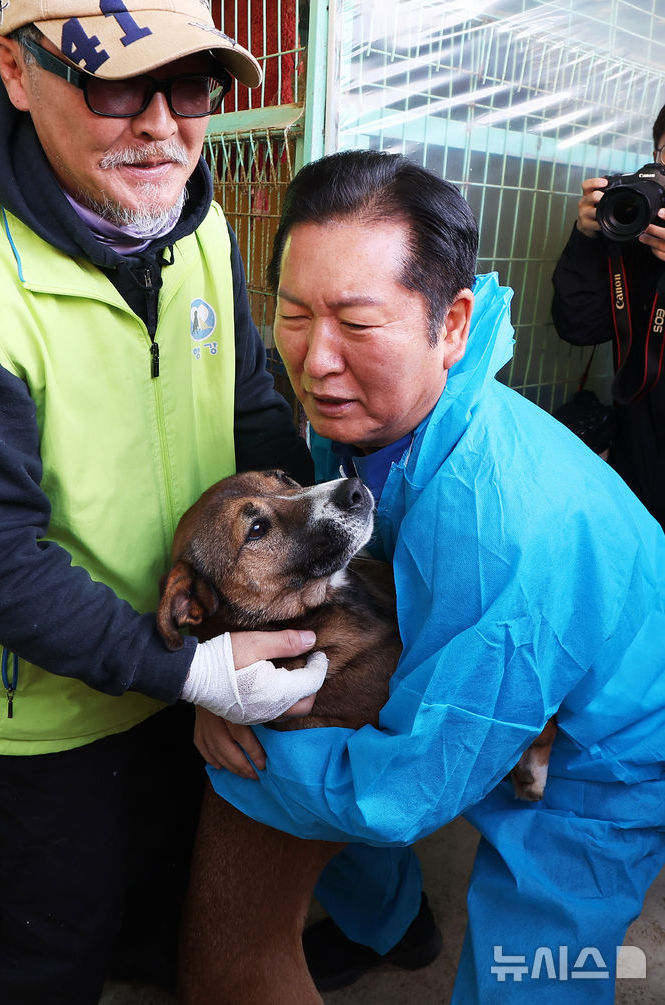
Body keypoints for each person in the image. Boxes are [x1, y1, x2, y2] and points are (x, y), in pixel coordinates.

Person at [196, 150, 665, 1004]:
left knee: (537, 955)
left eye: (357, 322)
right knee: (347, 731)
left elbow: (413, 783)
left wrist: (248, 752)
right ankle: (391, 925)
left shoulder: (501, 525)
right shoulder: (376, 411)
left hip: (618, 736)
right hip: (504, 656)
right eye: (293, 315)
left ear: (451, 324)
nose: (317, 360)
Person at [0, 2, 330, 1002]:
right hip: (44, 706)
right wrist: (190, 666)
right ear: (15, 71)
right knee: (56, 933)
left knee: (166, 896)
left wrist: (299, 555)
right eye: (116, 83)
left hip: (184, 665)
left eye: (192, 84)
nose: (161, 126)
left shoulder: (196, 224)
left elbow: (249, 407)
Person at [552, 103, 665, 530]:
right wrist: (587, 238)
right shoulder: (637, 225)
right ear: (654, 157)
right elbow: (578, 326)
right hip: (636, 445)